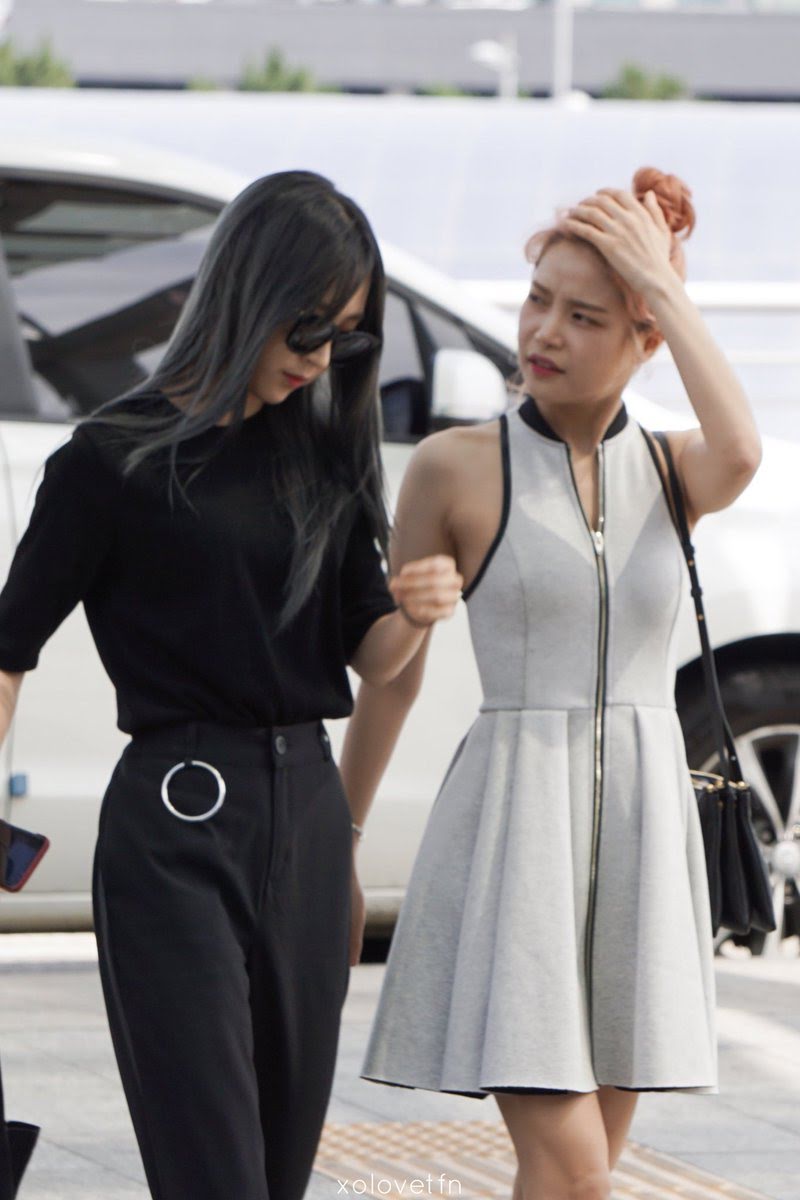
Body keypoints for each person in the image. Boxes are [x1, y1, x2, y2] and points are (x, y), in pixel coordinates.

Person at [0, 170, 462, 1200]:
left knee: (278, 1168)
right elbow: (8, 646)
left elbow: (371, 654)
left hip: (306, 817)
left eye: (346, 337)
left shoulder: (324, 456)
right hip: (176, 826)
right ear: (249, 291)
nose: (322, 357)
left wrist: (416, 610)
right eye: (309, 326)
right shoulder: (108, 461)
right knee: (214, 1171)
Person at [340, 167, 762, 1200]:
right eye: (538, 301)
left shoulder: (672, 467)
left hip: (640, 840)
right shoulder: (453, 466)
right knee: (576, 1171)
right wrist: (339, 840)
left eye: (585, 316)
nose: (544, 333)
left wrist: (662, 287)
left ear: (646, 339)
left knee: (576, 1172)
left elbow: (744, 449)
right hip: (514, 828)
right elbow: (390, 678)